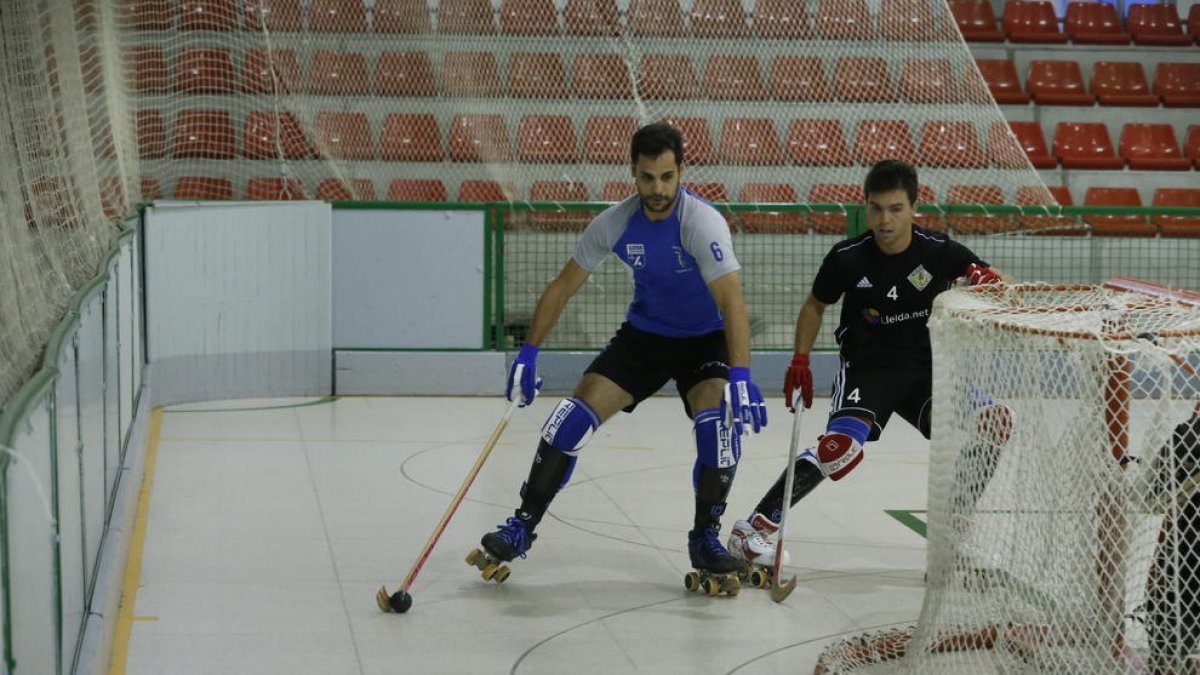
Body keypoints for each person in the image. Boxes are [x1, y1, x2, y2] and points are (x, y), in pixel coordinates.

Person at [478, 122, 768, 580]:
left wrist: (741, 377)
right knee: (566, 422)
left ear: (681, 171)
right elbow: (561, 287)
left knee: (718, 430)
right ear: (633, 172)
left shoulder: (701, 222)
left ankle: (704, 538)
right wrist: (528, 353)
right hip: (644, 339)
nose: (657, 189)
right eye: (647, 177)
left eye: (667, 177)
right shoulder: (614, 222)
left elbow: (732, 301)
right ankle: (522, 526)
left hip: (703, 340)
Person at [727, 159, 1010, 568]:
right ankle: (754, 530)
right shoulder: (847, 258)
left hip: (926, 373)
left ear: (914, 207)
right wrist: (800, 360)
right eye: (876, 208)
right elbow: (814, 305)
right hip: (868, 369)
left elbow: (998, 282)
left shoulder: (940, 251)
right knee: (839, 449)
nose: (884, 219)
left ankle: (954, 534)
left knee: (995, 420)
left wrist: (989, 280)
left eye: (895, 208)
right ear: (865, 207)